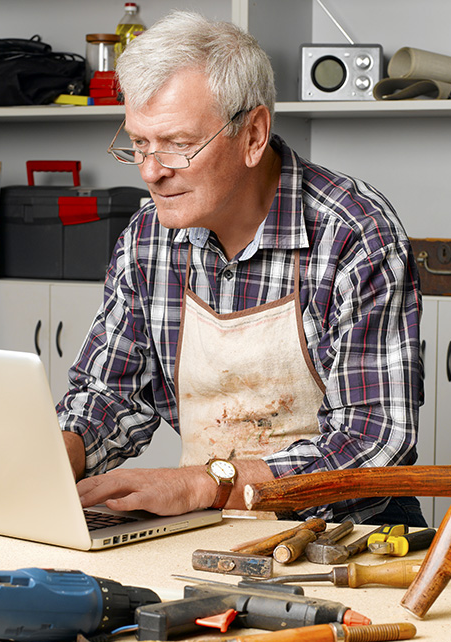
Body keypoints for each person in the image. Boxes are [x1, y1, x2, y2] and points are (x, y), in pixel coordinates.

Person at [57, 10, 425, 526]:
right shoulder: (146, 239)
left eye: (178, 145)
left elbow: (372, 442)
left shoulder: (354, 233)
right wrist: (54, 457)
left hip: (345, 532)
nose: (151, 171)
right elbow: (109, 395)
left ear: (253, 134)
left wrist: (204, 483)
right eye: (139, 143)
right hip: (203, 522)